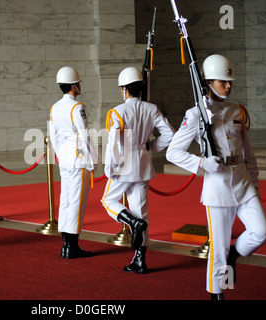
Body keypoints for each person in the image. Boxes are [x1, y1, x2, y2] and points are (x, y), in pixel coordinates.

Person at [166, 54, 266, 299]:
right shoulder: (195, 115)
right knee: (219, 249)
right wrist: (202, 163)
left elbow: (248, 152)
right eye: (223, 81)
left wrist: (254, 183)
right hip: (218, 187)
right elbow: (173, 152)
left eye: (230, 81)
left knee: (262, 231)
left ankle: (236, 254)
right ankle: (219, 293)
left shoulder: (237, 111)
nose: (228, 85)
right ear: (208, 83)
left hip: (243, 183)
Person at [101, 67, 175, 273]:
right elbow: (170, 134)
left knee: (108, 200)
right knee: (141, 211)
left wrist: (110, 168)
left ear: (123, 89)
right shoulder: (152, 109)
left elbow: (114, 143)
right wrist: (152, 146)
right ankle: (140, 260)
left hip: (124, 164)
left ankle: (132, 223)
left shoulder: (118, 112)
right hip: (143, 163)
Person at [49, 66, 98, 259]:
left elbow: (53, 137)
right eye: (78, 84)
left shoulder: (55, 107)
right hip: (78, 160)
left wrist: (60, 154)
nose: (79, 87)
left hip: (64, 159)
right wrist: (93, 160)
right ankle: (72, 246)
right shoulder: (77, 107)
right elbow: (84, 135)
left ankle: (65, 244)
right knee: (76, 202)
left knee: (66, 201)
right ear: (73, 86)